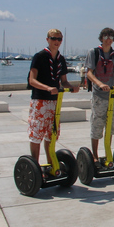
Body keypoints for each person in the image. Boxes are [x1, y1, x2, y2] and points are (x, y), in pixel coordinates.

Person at [27, 29, 79, 164]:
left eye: (59, 39)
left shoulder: (61, 59)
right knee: (36, 134)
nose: (56, 42)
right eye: (53, 38)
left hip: (54, 102)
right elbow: (31, 80)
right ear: (47, 39)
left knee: (52, 134)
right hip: (40, 100)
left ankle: (51, 165)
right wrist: (48, 88)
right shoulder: (39, 56)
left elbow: (64, 81)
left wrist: (71, 88)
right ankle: (35, 166)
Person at [85, 27, 114, 166]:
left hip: (112, 96)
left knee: (110, 126)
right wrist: (99, 83)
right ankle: (94, 155)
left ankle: (107, 152)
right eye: (106, 36)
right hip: (99, 95)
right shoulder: (94, 52)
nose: (108, 39)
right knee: (97, 126)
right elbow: (89, 73)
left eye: (111, 36)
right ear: (101, 38)